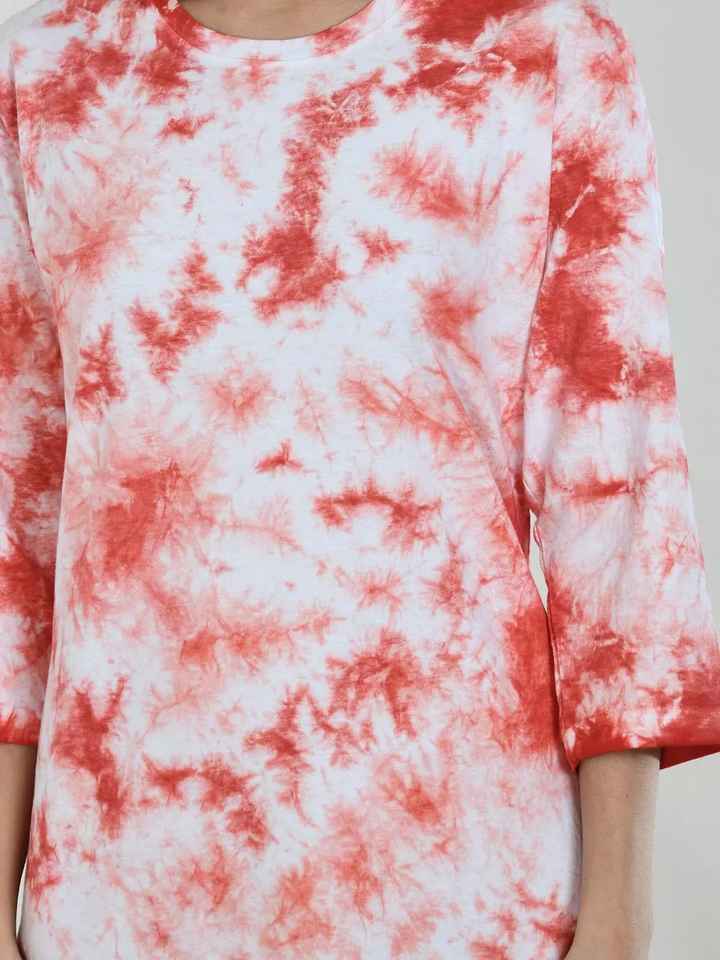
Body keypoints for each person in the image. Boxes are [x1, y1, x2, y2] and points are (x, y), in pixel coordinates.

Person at [0, 0, 718, 957]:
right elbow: (17, 516)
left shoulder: (541, 57)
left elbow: (619, 508)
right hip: (113, 903)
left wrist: (621, 917)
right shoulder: (55, 74)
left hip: (466, 897)